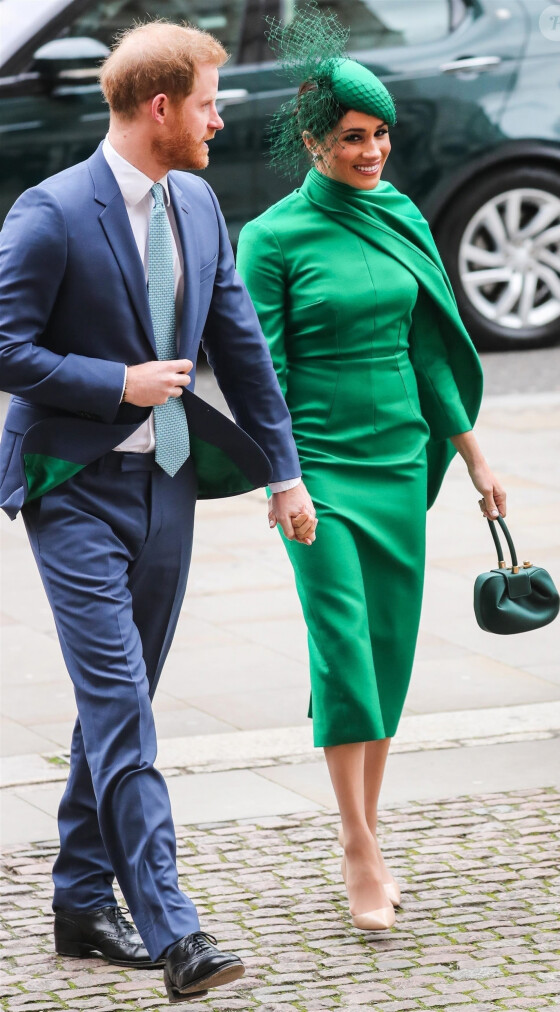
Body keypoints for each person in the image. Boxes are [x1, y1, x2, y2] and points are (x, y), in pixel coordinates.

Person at [0, 20, 316, 1004]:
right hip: (72, 488)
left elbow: (244, 349)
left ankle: (79, 900)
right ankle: (177, 931)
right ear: (161, 107)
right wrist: (115, 381)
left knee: (115, 709)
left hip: (167, 487)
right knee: (126, 710)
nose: (222, 120)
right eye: (211, 103)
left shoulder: (200, 205)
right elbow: (4, 347)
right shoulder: (50, 215)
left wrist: (284, 471)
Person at [237, 3, 506, 933]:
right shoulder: (272, 240)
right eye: (354, 136)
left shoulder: (398, 216)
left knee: (385, 657)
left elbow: (431, 351)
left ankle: (368, 826)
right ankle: (358, 846)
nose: (373, 150)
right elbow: (260, 374)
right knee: (344, 652)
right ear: (314, 143)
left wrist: (475, 459)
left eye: (382, 133)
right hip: (319, 477)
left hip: (399, 466)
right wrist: (284, 479)